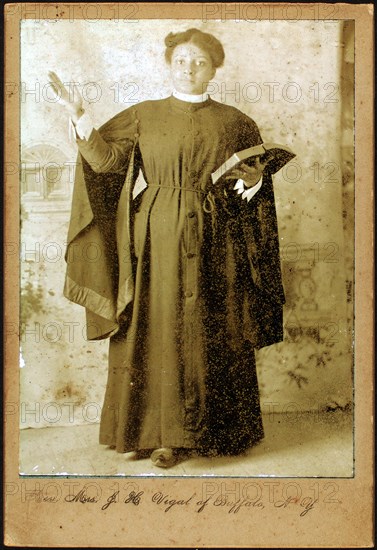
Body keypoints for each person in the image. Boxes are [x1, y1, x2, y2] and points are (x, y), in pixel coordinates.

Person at [48, 28, 285, 468]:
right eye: (181, 60)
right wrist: (82, 120)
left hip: (218, 238)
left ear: (214, 68)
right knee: (157, 327)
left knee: (215, 325)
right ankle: (158, 435)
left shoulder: (237, 121)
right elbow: (108, 163)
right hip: (154, 238)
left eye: (199, 61)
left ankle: (221, 433)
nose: (189, 68)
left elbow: (253, 184)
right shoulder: (144, 113)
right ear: (169, 64)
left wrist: (255, 181)